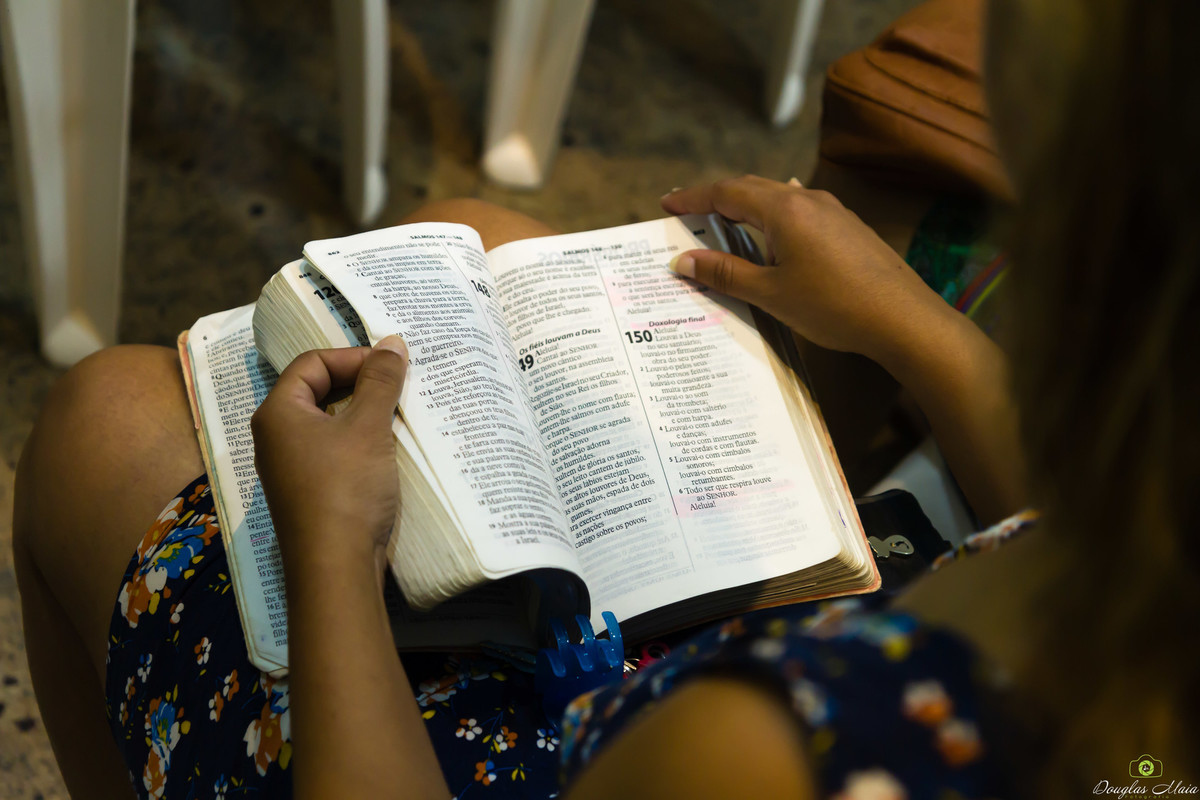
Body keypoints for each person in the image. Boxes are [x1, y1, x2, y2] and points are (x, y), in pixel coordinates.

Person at [12, 0, 1198, 796]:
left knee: (101, 416)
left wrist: (331, 551)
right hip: (757, 650)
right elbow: (1079, 527)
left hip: (507, 745)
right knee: (475, 237)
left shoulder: (766, 744)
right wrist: (906, 318)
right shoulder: (1148, 573)